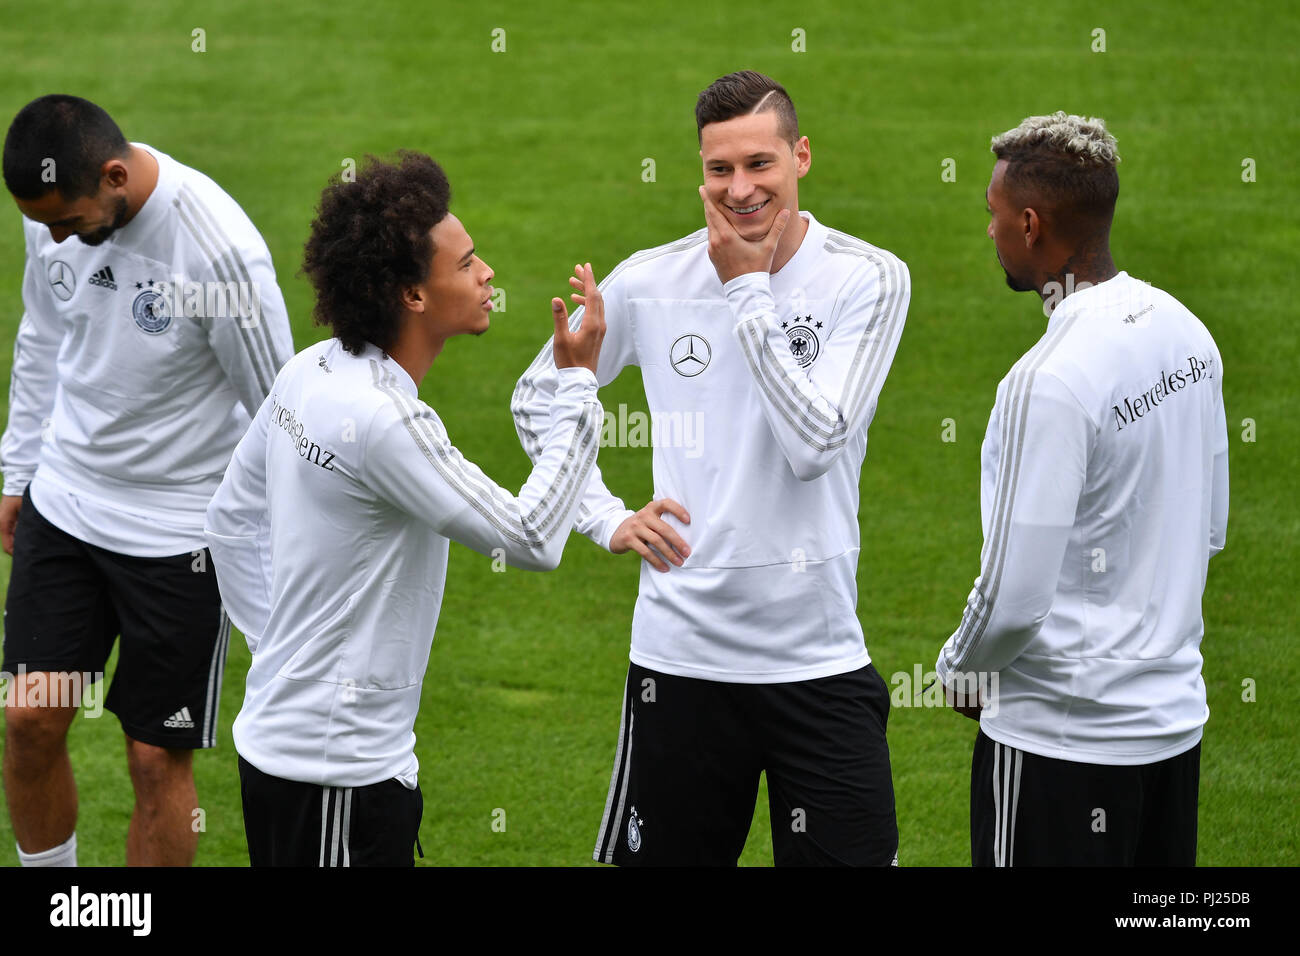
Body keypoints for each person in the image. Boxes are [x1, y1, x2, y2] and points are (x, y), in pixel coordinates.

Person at [513, 71, 910, 866]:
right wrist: (603, 516)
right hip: (680, 665)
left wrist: (746, 292)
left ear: (801, 156)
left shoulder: (867, 277)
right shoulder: (653, 280)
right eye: (720, 169)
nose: (740, 190)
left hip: (818, 661)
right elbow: (536, 398)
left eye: (760, 164)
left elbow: (815, 446)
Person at [204, 152, 606, 867]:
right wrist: (576, 388)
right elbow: (533, 537)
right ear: (413, 296)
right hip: (339, 776)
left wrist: (281, 657)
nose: (488, 275)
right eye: (466, 263)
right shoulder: (387, 422)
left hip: (290, 752)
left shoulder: (310, 368)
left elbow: (229, 522)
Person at [0, 95, 293, 866]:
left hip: (179, 537)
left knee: (152, 758)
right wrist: (16, 470)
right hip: (64, 506)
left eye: (66, 220)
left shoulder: (219, 254)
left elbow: (280, 410)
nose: (53, 236)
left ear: (116, 174)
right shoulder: (54, 211)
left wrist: (291, 548)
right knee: (31, 717)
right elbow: (41, 339)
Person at [934, 112, 1229, 866]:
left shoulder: (1048, 382)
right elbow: (1211, 527)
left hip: (1058, 750)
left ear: (1031, 225)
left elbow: (1014, 599)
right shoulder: (1186, 332)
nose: (989, 232)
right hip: (1170, 736)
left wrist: (958, 671)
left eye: (993, 216)